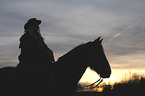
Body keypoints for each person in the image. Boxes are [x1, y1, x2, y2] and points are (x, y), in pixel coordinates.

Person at [17, 18, 55, 94]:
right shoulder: (25, 38)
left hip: (42, 62)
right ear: (29, 27)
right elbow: (28, 52)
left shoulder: (39, 38)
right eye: (34, 25)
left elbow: (45, 48)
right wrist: (43, 54)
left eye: (37, 26)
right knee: (33, 75)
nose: (36, 27)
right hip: (29, 63)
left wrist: (49, 52)